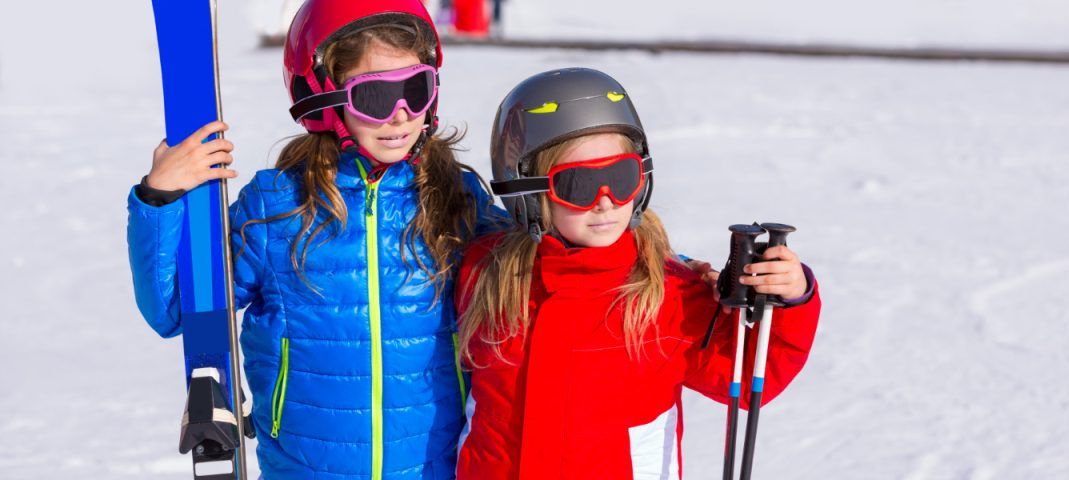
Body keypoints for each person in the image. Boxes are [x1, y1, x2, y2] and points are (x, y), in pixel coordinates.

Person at [127, 0, 505, 478]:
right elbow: (175, 309)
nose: (401, 115)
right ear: (321, 97)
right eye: (375, 97)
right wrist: (159, 198)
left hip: (433, 466)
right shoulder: (279, 207)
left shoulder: (457, 200)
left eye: (416, 89)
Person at [454, 68, 822, 479]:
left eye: (620, 177)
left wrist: (790, 297)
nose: (606, 202)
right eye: (578, 184)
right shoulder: (487, 275)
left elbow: (753, 371)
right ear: (528, 191)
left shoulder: (668, 292)